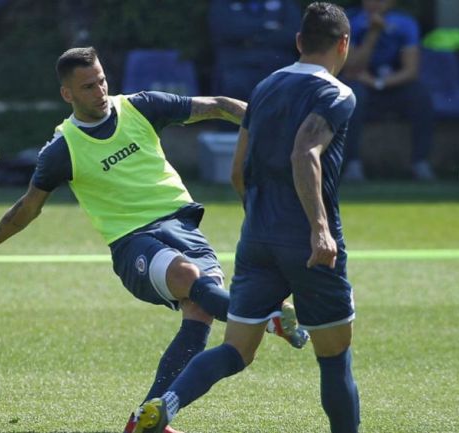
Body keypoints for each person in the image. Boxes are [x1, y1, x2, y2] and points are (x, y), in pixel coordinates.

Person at [0, 47, 309, 433]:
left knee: (200, 311)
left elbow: (218, 105)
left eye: (102, 80)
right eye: (88, 86)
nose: (100, 91)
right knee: (188, 277)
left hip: (184, 226)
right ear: (67, 95)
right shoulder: (62, 150)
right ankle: (267, 315)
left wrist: (266, 124)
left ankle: (146, 419)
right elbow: (29, 208)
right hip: (133, 243)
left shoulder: (141, 107)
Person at [130, 3, 360, 433]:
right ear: (343, 44)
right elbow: (304, 152)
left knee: (236, 348)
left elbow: (238, 170)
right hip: (309, 243)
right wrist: (319, 231)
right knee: (334, 359)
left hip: (256, 237)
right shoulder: (337, 93)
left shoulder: (266, 87)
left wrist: (259, 222)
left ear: (298, 42)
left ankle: (168, 404)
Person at [341, 0, 436, 181]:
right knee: (351, 95)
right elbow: (352, 67)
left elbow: (411, 71)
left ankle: (420, 162)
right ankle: (352, 164)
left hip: (389, 85)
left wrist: (378, 82)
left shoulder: (405, 23)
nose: (376, 3)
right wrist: (373, 33)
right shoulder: (350, 22)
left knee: (420, 95)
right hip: (361, 86)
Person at [208, 0, 302, 102]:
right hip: (237, 66)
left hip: (277, 65)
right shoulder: (223, 3)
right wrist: (269, 28)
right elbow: (224, 31)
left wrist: (249, 36)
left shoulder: (285, 4)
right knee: (233, 86)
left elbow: (292, 33)